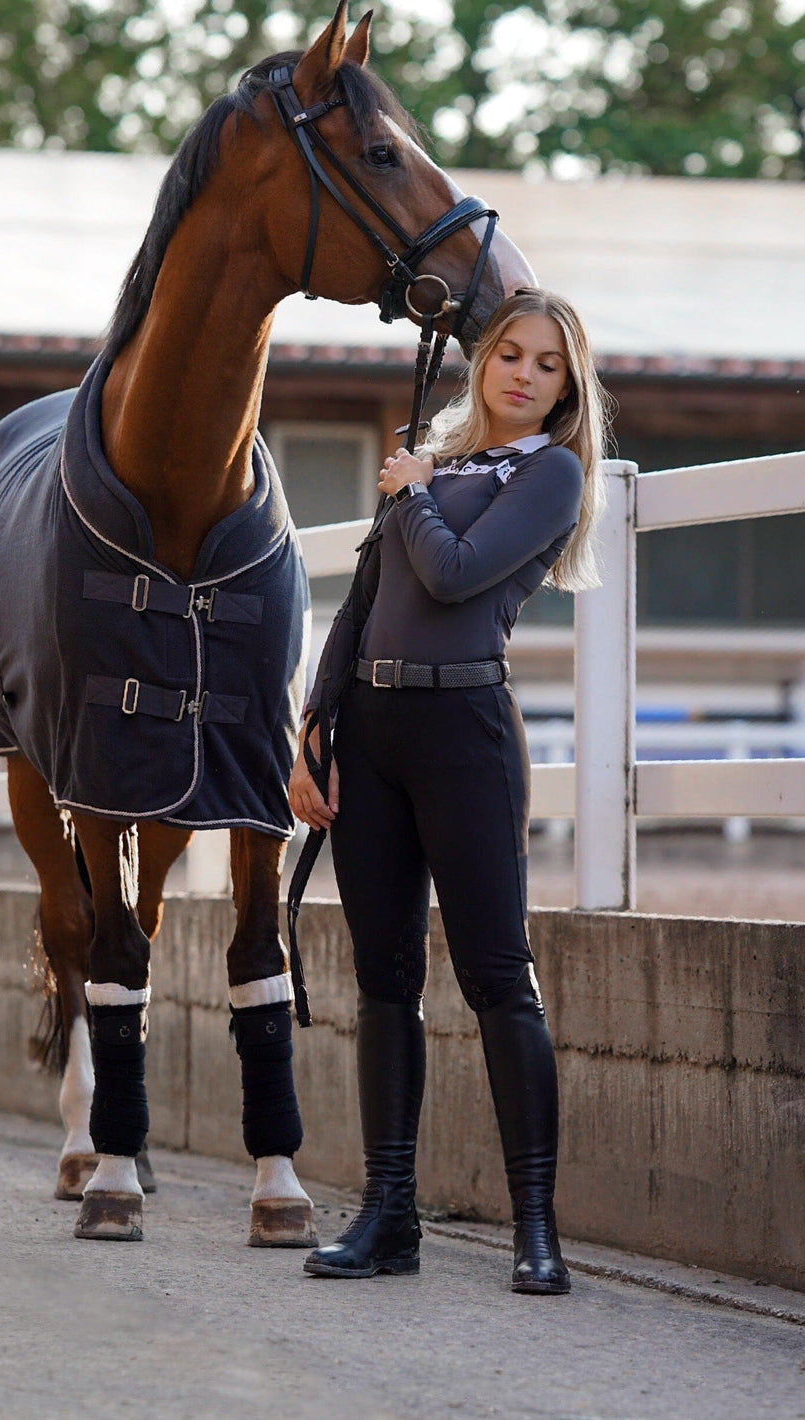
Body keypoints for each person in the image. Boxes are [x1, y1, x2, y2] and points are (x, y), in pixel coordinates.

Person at [289, 288, 612, 1292]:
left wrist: (414, 489)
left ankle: (535, 1228)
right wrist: (312, 727)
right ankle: (387, 1217)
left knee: (496, 977)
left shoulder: (549, 473)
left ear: (565, 387)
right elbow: (365, 603)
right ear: (483, 361)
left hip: (464, 734)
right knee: (383, 981)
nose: (520, 371)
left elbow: (454, 576)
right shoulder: (433, 461)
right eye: (508, 352)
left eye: (545, 363)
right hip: (370, 734)